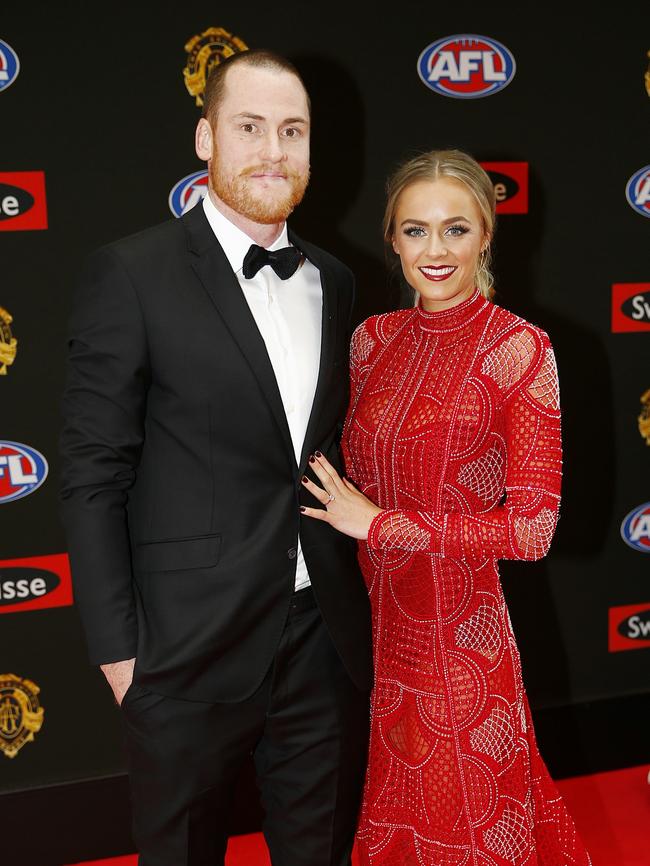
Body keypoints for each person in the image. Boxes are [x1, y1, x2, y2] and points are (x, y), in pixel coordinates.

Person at [59, 49, 372, 866]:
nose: (274, 150)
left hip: (320, 637)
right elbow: (92, 475)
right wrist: (121, 655)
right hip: (184, 648)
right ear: (206, 138)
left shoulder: (335, 282)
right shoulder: (130, 274)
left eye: (293, 131)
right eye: (250, 127)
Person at [300, 149, 591, 865]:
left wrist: (381, 524)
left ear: (487, 235)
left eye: (455, 229)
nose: (436, 251)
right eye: (416, 230)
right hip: (373, 644)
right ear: (392, 237)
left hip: (464, 648)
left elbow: (532, 530)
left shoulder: (520, 349)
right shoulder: (371, 341)